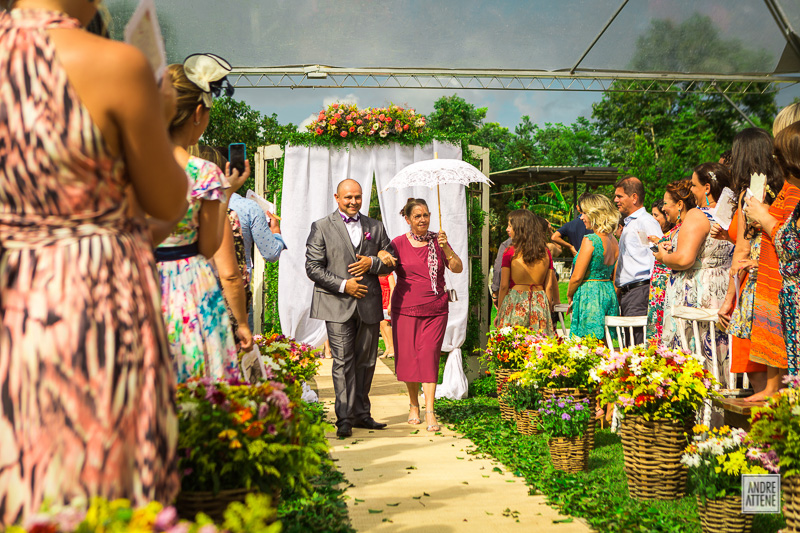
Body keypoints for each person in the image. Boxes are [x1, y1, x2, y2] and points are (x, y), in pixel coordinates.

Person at [0, 1, 188, 524]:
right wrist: (162, 107)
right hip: (96, 296)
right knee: (105, 480)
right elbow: (168, 200)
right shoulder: (115, 64)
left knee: (28, 472)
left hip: (15, 295)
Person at [156, 55, 243, 383]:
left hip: (138, 281)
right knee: (199, 379)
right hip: (188, 285)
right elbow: (208, 245)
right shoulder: (204, 172)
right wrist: (226, 196)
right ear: (197, 113)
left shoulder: (129, 166)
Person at [305, 179, 395, 438]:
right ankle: (344, 417)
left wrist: (372, 263)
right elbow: (313, 267)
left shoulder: (375, 226)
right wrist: (345, 286)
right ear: (337, 197)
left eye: (358, 197)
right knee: (343, 361)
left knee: (366, 361)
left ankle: (361, 414)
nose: (354, 201)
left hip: (369, 303)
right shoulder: (321, 226)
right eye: (348, 197)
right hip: (336, 304)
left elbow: (390, 262)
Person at [657, 163, 734, 387]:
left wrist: (663, 257)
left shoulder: (697, 215)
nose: (691, 190)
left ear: (707, 188)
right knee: (719, 350)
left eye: (694, 185)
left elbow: (684, 259)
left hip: (698, 291)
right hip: (723, 289)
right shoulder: (731, 213)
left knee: (694, 351)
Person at [718, 128, 782, 394]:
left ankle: (760, 432)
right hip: (782, 278)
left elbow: (741, 253)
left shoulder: (749, 196)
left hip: (756, 285)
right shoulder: (785, 189)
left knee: (757, 369)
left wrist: (728, 300)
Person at [390, 198, 463, 432]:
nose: (423, 219)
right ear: (408, 219)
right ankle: (414, 405)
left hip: (436, 309)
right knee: (410, 357)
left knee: (429, 356)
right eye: (417, 216)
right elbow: (384, 269)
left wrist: (446, 247)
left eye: (426, 215)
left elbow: (458, 267)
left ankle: (430, 410)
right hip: (405, 309)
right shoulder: (398, 243)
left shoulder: (439, 241)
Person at [745, 121, 800, 386]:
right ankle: (772, 390)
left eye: (778, 156)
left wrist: (763, 217)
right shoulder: (789, 191)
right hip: (778, 287)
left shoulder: (795, 193)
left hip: (788, 288)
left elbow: (791, 244)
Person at [196, 146, 254, 353]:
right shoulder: (225, 217)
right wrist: (242, 322)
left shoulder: (174, 208)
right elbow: (231, 273)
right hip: (218, 307)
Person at [225, 174, 286, 330]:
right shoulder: (249, 208)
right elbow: (271, 253)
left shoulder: (188, 205)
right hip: (237, 293)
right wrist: (276, 232)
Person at [614, 176, 663, 344]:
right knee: (631, 344)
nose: (616, 200)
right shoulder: (632, 223)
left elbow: (656, 257)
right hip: (630, 293)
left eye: (620, 196)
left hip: (640, 291)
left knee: (638, 346)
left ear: (634, 197)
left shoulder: (645, 222)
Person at [567, 195, 620, 340]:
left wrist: (570, 294)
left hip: (590, 295)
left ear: (594, 213)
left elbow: (577, 277)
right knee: (604, 342)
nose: (581, 217)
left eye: (584, 213)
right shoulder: (614, 240)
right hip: (607, 292)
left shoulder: (590, 240)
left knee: (587, 345)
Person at [646, 181, 693, 344]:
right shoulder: (677, 228)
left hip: (670, 288)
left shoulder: (687, 227)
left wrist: (663, 255)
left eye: (665, 204)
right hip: (661, 291)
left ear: (680, 205)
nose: (663, 208)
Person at [495, 210, 556, 333]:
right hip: (539, 299)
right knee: (538, 344)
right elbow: (549, 286)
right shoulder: (545, 252)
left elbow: (503, 285)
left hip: (516, 300)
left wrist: (500, 312)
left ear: (519, 228)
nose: (508, 229)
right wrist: (547, 308)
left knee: (515, 342)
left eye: (510, 226)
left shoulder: (510, 251)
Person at [379, 274, 396, 358]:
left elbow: (393, 287)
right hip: (379, 300)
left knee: (385, 322)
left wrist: (391, 303)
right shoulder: (376, 272)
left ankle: (392, 348)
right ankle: (387, 348)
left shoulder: (389, 273)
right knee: (380, 324)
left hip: (386, 299)